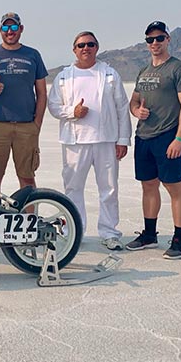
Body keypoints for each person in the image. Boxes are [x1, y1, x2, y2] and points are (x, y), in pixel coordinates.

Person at [48, 31, 131, 250]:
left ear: (97, 47)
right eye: (81, 45)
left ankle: (109, 232)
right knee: (73, 188)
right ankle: (74, 231)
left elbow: (122, 108)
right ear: (74, 49)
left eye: (90, 44)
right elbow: (54, 106)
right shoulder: (64, 77)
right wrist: (72, 111)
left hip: (106, 140)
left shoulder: (110, 74)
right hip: (75, 142)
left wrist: (123, 139)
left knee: (109, 188)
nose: (86, 48)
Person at [126, 21, 181, 259]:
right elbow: (133, 102)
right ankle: (149, 234)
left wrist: (180, 138)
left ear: (168, 39)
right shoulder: (143, 72)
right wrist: (137, 112)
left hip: (168, 136)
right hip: (144, 136)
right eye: (150, 40)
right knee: (148, 185)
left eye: (159, 38)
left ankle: (179, 238)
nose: (154, 43)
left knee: (174, 186)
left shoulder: (179, 69)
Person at [0, 12, 47, 193]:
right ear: (0, 30)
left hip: (26, 126)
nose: (10, 31)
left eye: (14, 27)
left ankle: (30, 219)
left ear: (21, 29)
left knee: (27, 178)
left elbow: (42, 93)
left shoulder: (33, 55)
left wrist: (36, 124)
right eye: (6, 27)